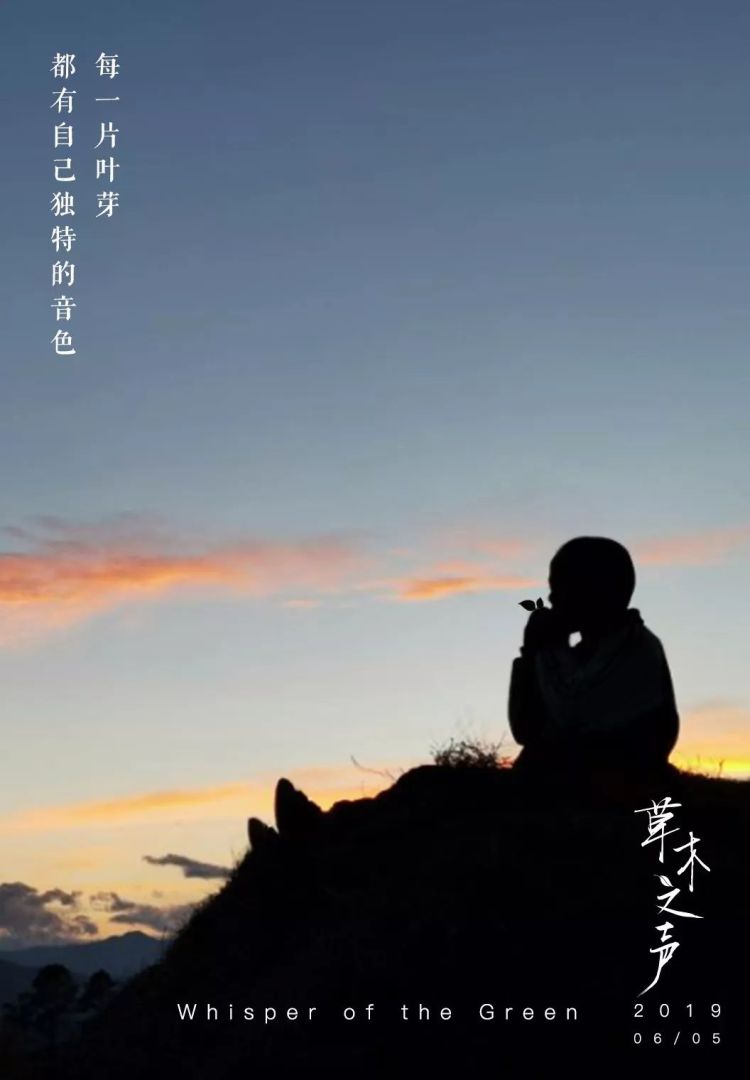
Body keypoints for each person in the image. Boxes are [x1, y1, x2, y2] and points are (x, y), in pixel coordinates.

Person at [509, 537, 679, 792]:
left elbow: (575, 724)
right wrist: (531, 653)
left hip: (622, 786)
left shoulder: (639, 648)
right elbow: (525, 730)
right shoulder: (569, 657)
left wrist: (546, 651)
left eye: (561, 587)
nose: (551, 598)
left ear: (597, 590)